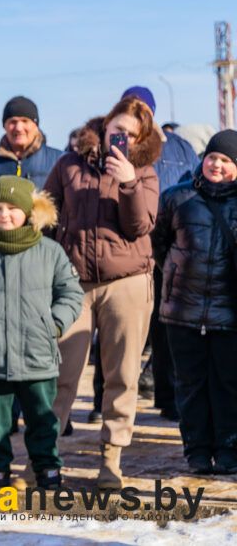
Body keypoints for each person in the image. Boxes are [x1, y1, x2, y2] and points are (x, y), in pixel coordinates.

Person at [45, 96, 161, 489]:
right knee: (60, 372)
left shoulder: (143, 172)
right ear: (105, 125)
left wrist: (128, 181)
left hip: (127, 282)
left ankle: (111, 460)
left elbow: (141, 227)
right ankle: (45, 457)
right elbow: (47, 213)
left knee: (122, 375)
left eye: (130, 134)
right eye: (117, 129)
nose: (121, 137)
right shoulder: (68, 164)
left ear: (139, 139)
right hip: (73, 282)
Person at [0, 176, 83, 488]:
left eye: (12, 208)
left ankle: (47, 467)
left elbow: (71, 293)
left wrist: (55, 323)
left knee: (42, 418)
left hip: (37, 353)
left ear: (28, 212)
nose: (4, 214)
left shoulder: (49, 252)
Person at [152, 130, 237, 475]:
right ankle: (197, 450)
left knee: (227, 385)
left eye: (226, 160)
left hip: (229, 314)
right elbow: (160, 244)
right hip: (182, 311)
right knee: (189, 385)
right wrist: (174, 275)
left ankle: (229, 449)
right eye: (213, 157)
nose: (217, 165)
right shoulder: (176, 197)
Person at [121, 86, 200, 420]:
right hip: (134, 246)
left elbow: (193, 185)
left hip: (170, 245)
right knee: (138, 326)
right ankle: (111, 397)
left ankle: (168, 396)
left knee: (169, 324)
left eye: (145, 107)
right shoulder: (119, 143)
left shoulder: (181, 146)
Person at [0, 97, 63, 204]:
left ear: (36, 125)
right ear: (4, 126)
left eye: (25, 121)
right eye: (13, 122)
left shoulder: (58, 160)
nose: (19, 128)